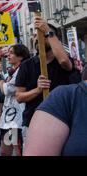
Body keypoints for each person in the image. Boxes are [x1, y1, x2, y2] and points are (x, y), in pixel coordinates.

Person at [15, 16, 79, 144]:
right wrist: (37, 90)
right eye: (34, 35)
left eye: (42, 34)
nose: (36, 38)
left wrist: (48, 31)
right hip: (34, 122)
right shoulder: (26, 65)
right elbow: (19, 96)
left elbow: (64, 62)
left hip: (62, 121)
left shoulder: (62, 61)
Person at [24, 67, 87, 155]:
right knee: (9, 146)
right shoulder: (66, 96)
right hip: (17, 120)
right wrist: (37, 90)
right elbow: (18, 96)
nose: (9, 56)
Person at [0, 44, 30, 156]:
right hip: (9, 118)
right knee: (5, 152)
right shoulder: (14, 71)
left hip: (16, 120)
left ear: (20, 56)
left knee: (17, 150)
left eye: (11, 53)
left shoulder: (22, 71)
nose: (8, 56)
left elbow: (5, 89)